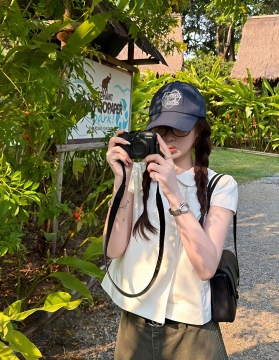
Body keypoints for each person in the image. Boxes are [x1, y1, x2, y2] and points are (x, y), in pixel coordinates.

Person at [102, 81, 238, 360]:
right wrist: (121, 181)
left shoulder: (221, 186)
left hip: (192, 332)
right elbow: (112, 249)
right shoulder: (137, 177)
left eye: (180, 128)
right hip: (135, 322)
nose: (170, 137)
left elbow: (206, 267)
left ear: (199, 131)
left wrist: (174, 194)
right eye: (162, 129)